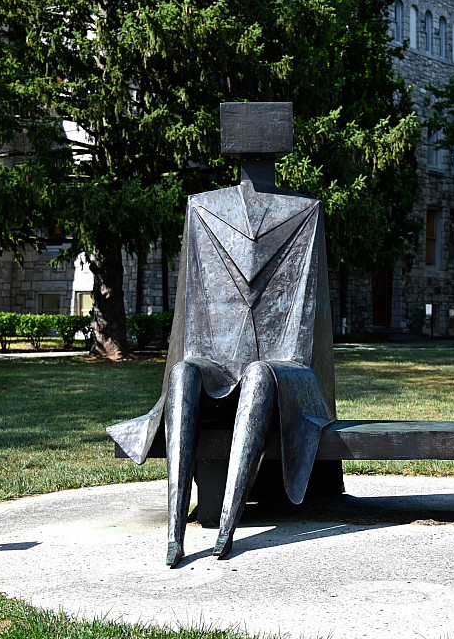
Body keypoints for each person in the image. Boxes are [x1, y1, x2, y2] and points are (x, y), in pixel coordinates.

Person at [108, 102, 337, 566]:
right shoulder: (204, 209)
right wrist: (191, 361)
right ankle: (174, 533)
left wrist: (284, 370)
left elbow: (307, 315)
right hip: (218, 356)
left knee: (257, 373)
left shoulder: (304, 211)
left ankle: (227, 530)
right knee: (184, 372)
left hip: (283, 365)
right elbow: (193, 315)